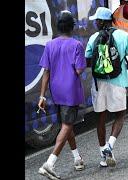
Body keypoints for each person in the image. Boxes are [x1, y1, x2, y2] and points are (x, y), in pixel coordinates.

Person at [85, 7, 128, 168]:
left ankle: (103, 155)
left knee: (100, 118)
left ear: (102, 21)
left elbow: (88, 62)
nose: (95, 22)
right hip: (118, 81)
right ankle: (110, 145)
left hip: (98, 83)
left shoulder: (93, 37)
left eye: (96, 20)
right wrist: (127, 64)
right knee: (120, 116)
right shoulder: (124, 35)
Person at [37, 10, 86, 179]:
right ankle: (49, 163)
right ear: (72, 27)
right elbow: (79, 70)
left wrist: (42, 96)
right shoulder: (77, 45)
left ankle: (77, 158)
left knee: (67, 124)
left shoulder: (50, 45)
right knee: (67, 125)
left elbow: (46, 72)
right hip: (70, 90)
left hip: (55, 91)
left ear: (58, 27)